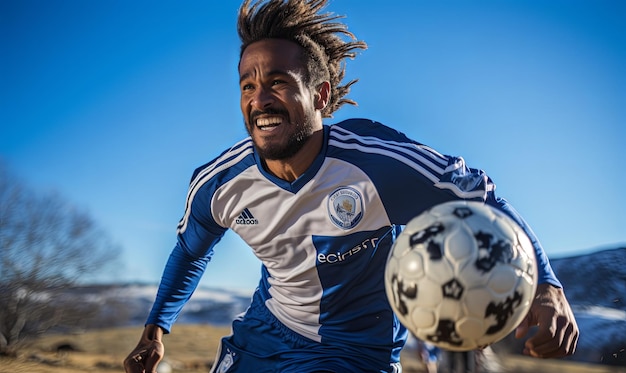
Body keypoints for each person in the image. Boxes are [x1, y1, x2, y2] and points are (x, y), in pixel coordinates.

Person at [124, 1, 579, 372]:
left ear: (320, 96)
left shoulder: (377, 163)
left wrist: (547, 286)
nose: (259, 99)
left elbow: (481, 197)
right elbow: (190, 250)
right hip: (263, 338)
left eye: (278, 83)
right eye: (248, 86)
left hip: (359, 354)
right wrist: (155, 330)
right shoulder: (220, 183)